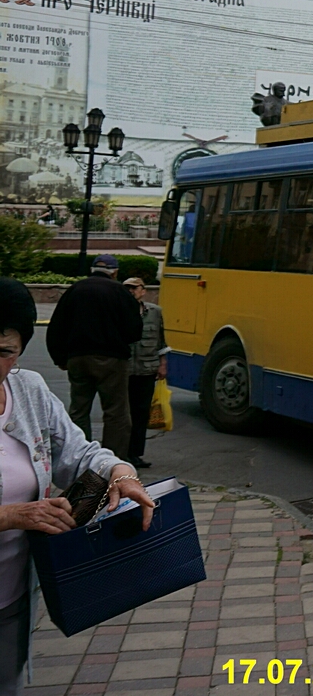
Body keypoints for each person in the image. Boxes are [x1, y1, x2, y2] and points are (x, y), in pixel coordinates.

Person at [0, 278, 153, 696]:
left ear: (20, 349)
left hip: (10, 593)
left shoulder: (28, 390)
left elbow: (79, 452)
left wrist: (120, 472)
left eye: (5, 351)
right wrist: (10, 516)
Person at [45, 255, 142, 461]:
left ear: (92, 269)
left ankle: (78, 457)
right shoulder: (120, 292)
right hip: (112, 359)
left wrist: (60, 358)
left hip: (78, 357)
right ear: (115, 272)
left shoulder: (75, 290)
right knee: (116, 412)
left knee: (79, 409)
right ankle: (112, 461)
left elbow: (57, 327)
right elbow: (134, 330)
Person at [123, 277, 167, 471]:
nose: (131, 291)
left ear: (143, 291)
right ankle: (122, 452)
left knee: (141, 414)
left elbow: (161, 340)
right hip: (125, 370)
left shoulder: (155, 312)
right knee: (123, 413)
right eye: (127, 288)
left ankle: (136, 453)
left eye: (135, 288)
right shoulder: (119, 310)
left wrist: (162, 364)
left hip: (147, 369)